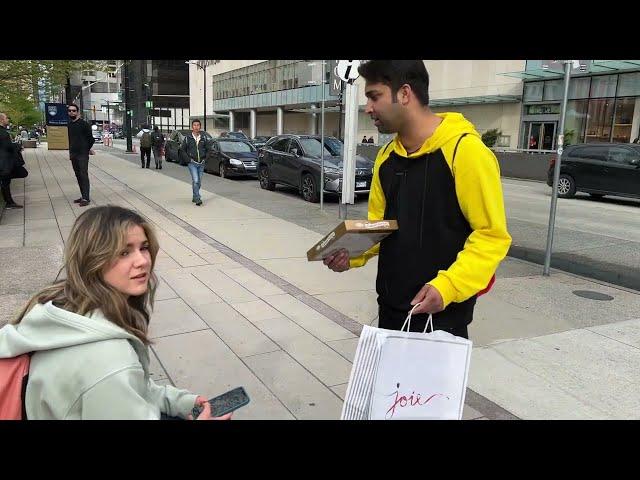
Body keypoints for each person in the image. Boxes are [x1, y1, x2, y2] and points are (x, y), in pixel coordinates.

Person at [323, 60, 511, 339]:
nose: (368, 108)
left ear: (405, 94)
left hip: (442, 321)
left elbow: (491, 237)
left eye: (374, 96)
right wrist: (350, 253)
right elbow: (381, 226)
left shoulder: (466, 152)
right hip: (391, 312)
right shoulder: (386, 158)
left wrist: (447, 287)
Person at [0, 205, 233, 420]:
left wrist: (181, 403)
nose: (142, 261)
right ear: (93, 259)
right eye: (124, 253)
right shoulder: (111, 362)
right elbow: (115, 378)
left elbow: (135, 387)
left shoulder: (59, 306)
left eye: (143, 248)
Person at [67, 103, 95, 207]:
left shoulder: (84, 124)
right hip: (73, 154)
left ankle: (86, 198)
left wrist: (86, 149)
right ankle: (83, 195)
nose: (71, 112)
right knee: (78, 175)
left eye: (74, 110)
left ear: (77, 112)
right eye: (70, 111)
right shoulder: (69, 125)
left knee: (83, 175)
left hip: (82, 154)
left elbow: (91, 139)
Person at [180, 119, 211, 206]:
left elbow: (209, 149)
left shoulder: (204, 138)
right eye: (194, 125)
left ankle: (194, 196)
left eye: (198, 125)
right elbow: (182, 150)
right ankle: (197, 198)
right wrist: (188, 160)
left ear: (200, 127)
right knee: (196, 180)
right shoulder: (187, 138)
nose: (196, 127)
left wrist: (205, 159)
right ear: (192, 127)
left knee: (199, 182)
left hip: (201, 163)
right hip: (192, 163)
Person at [0, 112, 24, 209]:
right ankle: (9, 202)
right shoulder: (3, 133)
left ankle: (8, 201)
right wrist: (18, 146)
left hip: (4, 161)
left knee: (5, 182)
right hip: (4, 162)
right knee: (6, 182)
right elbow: (7, 146)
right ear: (1, 120)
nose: (8, 120)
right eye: (6, 118)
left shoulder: (3, 132)